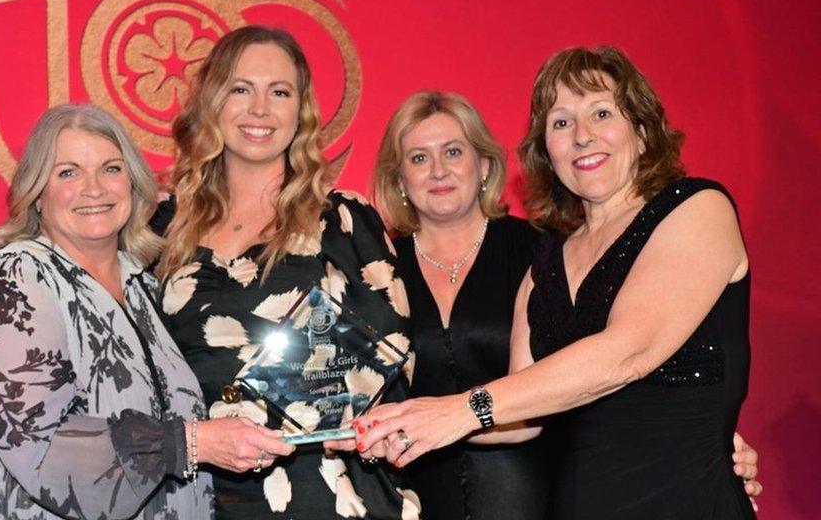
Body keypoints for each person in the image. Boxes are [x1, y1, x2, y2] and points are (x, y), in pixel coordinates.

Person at [358, 48, 760, 519]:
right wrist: (404, 428)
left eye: (602, 113)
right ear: (546, 150)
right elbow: (525, 420)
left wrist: (461, 410)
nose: (583, 136)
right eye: (562, 123)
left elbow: (629, 352)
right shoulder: (544, 265)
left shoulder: (695, 209)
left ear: (643, 129)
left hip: (685, 503)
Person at [0, 104, 290, 520]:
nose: (94, 188)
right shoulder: (16, 276)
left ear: (133, 184)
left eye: (111, 169)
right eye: (68, 172)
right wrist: (190, 443)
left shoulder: (146, 290)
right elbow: (38, 442)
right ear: (38, 193)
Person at [153, 26, 416, 520]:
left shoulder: (343, 218)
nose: (259, 109)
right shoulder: (160, 226)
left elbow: (392, 359)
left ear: (301, 111)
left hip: (326, 492)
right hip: (195, 496)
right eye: (240, 89)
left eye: (279, 92)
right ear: (212, 102)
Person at [371, 90, 550, 519]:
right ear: (399, 181)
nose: (438, 171)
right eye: (418, 158)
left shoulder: (539, 252)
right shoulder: (377, 271)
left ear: (484, 165)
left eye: (453, 151)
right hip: (415, 502)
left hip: (532, 496)